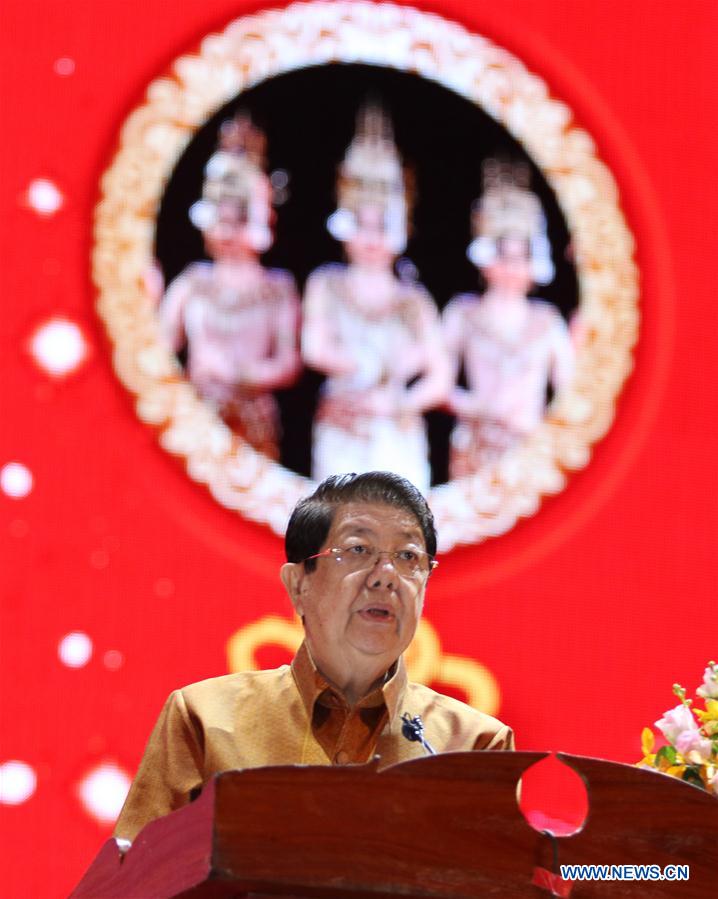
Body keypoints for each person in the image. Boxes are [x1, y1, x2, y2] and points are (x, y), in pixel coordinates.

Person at [114, 471, 514, 842]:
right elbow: (133, 881)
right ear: (298, 585)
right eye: (358, 549)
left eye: (409, 557)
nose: (386, 574)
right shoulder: (204, 719)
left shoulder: (474, 746)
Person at [302, 105, 451, 494]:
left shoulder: (414, 299)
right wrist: (362, 366)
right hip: (342, 425)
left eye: (381, 227)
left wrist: (396, 403)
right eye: (361, 226)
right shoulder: (326, 284)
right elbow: (314, 348)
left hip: (395, 436)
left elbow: (441, 377)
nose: (370, 239)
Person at [159, 113, 300, 458]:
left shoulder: (277, 288)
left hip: (255, 426)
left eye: (238, 221)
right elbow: (157, 348)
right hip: (196, 416)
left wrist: (240, 374)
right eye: (220, 220)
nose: (227, 232)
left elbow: (288, 363)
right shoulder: (192, 282)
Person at [442, 160, 574, 477]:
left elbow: (570, 389)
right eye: (504, 256)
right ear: (486, 258)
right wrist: (481, 408)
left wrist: (539, 426)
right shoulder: (463, 312)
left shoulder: (547, 319)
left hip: (530, 450)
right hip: (474, 451)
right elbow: (440, 386)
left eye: (522, 257)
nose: (512, 267)